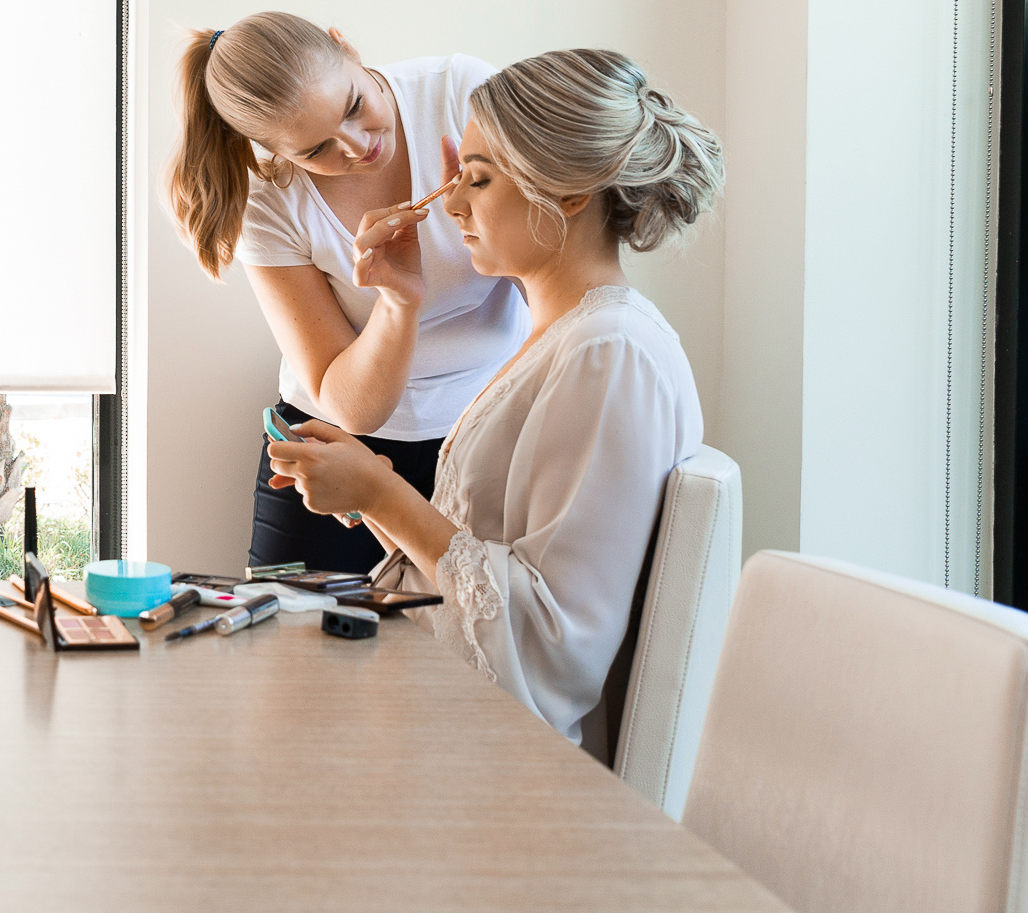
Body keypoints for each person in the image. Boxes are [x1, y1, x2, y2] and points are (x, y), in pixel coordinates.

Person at [262, 48, 723, 752]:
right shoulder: (568, 339)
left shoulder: (608, 356)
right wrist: (374, 485)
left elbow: (548, 648)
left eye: (476, 179)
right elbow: (486, 569)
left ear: (568, 192)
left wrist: (384, 498)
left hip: (502, 766)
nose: (449, 204)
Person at [168, 12, 528, 573]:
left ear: (347, 49)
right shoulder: (268, 198)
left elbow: (556, 262)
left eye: (354, 106)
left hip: (484, 434)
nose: (359, 147)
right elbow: (352, 407)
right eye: (316, 151)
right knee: (286, 642)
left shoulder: (462, 93)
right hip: (334, 448)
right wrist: (399, 302)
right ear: (276, 155)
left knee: (467, 646)